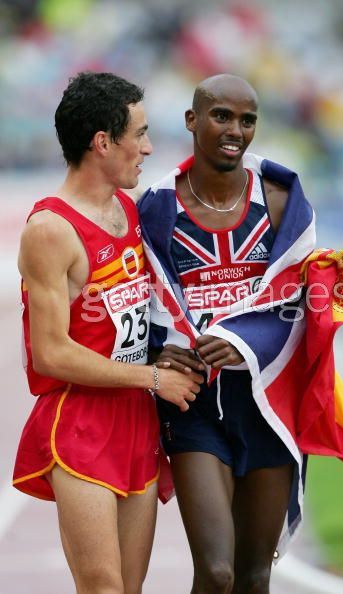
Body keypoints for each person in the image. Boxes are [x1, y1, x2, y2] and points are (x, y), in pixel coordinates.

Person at [12, 71, 203, 594]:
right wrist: (150, 378)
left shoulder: (129, 208)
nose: (147, 147)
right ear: (102, 142)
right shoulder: (50, 231)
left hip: (136, 418)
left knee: (130, 588)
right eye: (138, 134)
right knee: (103, 588)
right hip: (82, 422)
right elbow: (49, 353)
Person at [138, 73, 301, 594]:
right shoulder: (157, 207)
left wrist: (244, 342)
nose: (236, 129)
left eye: (247, 119)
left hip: (267, 407)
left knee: (255, 578)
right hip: (194, 407)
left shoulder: (279, 202)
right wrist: (158, 355)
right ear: (192, 120)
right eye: (221, 116)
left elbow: (298, 302)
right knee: (217, 572)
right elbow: (140, 300)